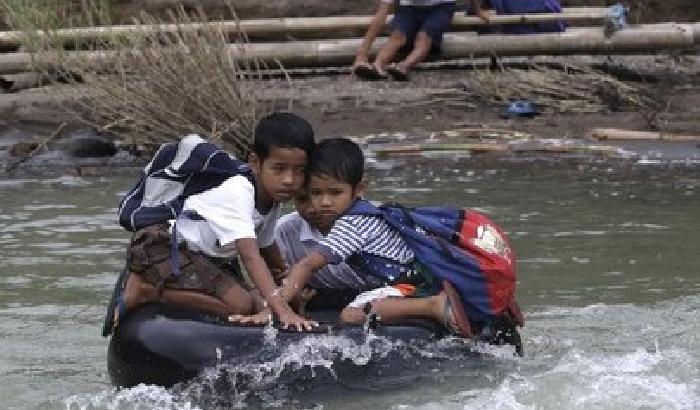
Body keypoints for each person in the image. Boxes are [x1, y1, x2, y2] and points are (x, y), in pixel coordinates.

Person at [232, 138, 472, 337]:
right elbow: (284, 273)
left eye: (335, 193)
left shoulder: (357, 222)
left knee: (350, 315)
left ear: (358, 190)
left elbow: (308, 265)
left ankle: (433, 306)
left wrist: (274, 308)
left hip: (411, 284)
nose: (322, 204)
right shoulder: (288, 228)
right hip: (392, 284)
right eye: (313, 194)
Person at [110, 112, 318, 332]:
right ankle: (145, 290)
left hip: (205, 257)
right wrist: (283, 311)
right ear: (256, 163)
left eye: (300, 171)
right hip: (162, 246)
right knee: (241, 305)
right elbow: (249, 253)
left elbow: (266, 247)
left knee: (258, 302)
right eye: (279, 168)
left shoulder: (271, 196)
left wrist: (288, 282)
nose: (289, 180)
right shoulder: (239, 190)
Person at [274, 188, 383, 290]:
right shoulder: (284, 229)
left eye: (334, 194)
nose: (313, 208)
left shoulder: (373, 222)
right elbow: (278, 278)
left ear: (357, 191)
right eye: (302, 199)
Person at [353, 0, 488, 81]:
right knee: (397, 36)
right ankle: (378, 65)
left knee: (423, 37)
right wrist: (362, 53)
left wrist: (478, 10)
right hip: (409, 8)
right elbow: (381, 14)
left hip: (440, 6)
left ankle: (404, 66)